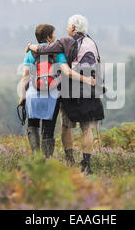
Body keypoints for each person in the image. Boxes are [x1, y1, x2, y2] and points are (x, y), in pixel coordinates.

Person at [26, 15, 104, 174]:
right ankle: (86, 165)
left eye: (68, 26)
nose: (67, 28)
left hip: (70, 89)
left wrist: (31, 46)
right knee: (87, 128)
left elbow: (44, 49)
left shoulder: (66, 41)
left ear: (74, 28)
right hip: (90, 88)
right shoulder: (92, 42)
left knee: (66, 126)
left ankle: (69, 162)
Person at [19, 24, 95, 159]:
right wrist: (86, 79)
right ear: (48, 38)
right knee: (48, 129)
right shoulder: (57, 53)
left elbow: (25, 76)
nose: (55, 37)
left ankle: (37, 158)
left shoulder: (30, 53)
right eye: (53, 34)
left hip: (33, 95)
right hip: (52, 96)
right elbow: (67, 72)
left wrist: (22, 97)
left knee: (33, 125)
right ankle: (46, 160)